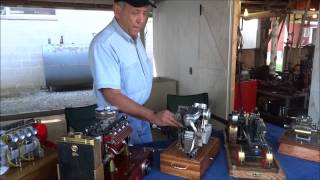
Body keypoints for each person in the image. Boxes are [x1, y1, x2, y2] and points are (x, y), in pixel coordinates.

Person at [89, 0, 181, 145]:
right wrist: (153, 116)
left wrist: (147, 116)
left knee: (146, 159)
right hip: (119, 122)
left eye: (145, 13)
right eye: (135, 12)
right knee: (129, 164)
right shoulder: (104, 43)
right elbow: (112, 95)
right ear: (117, 10)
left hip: (140, 114)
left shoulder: (134, 38)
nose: (141, 20)